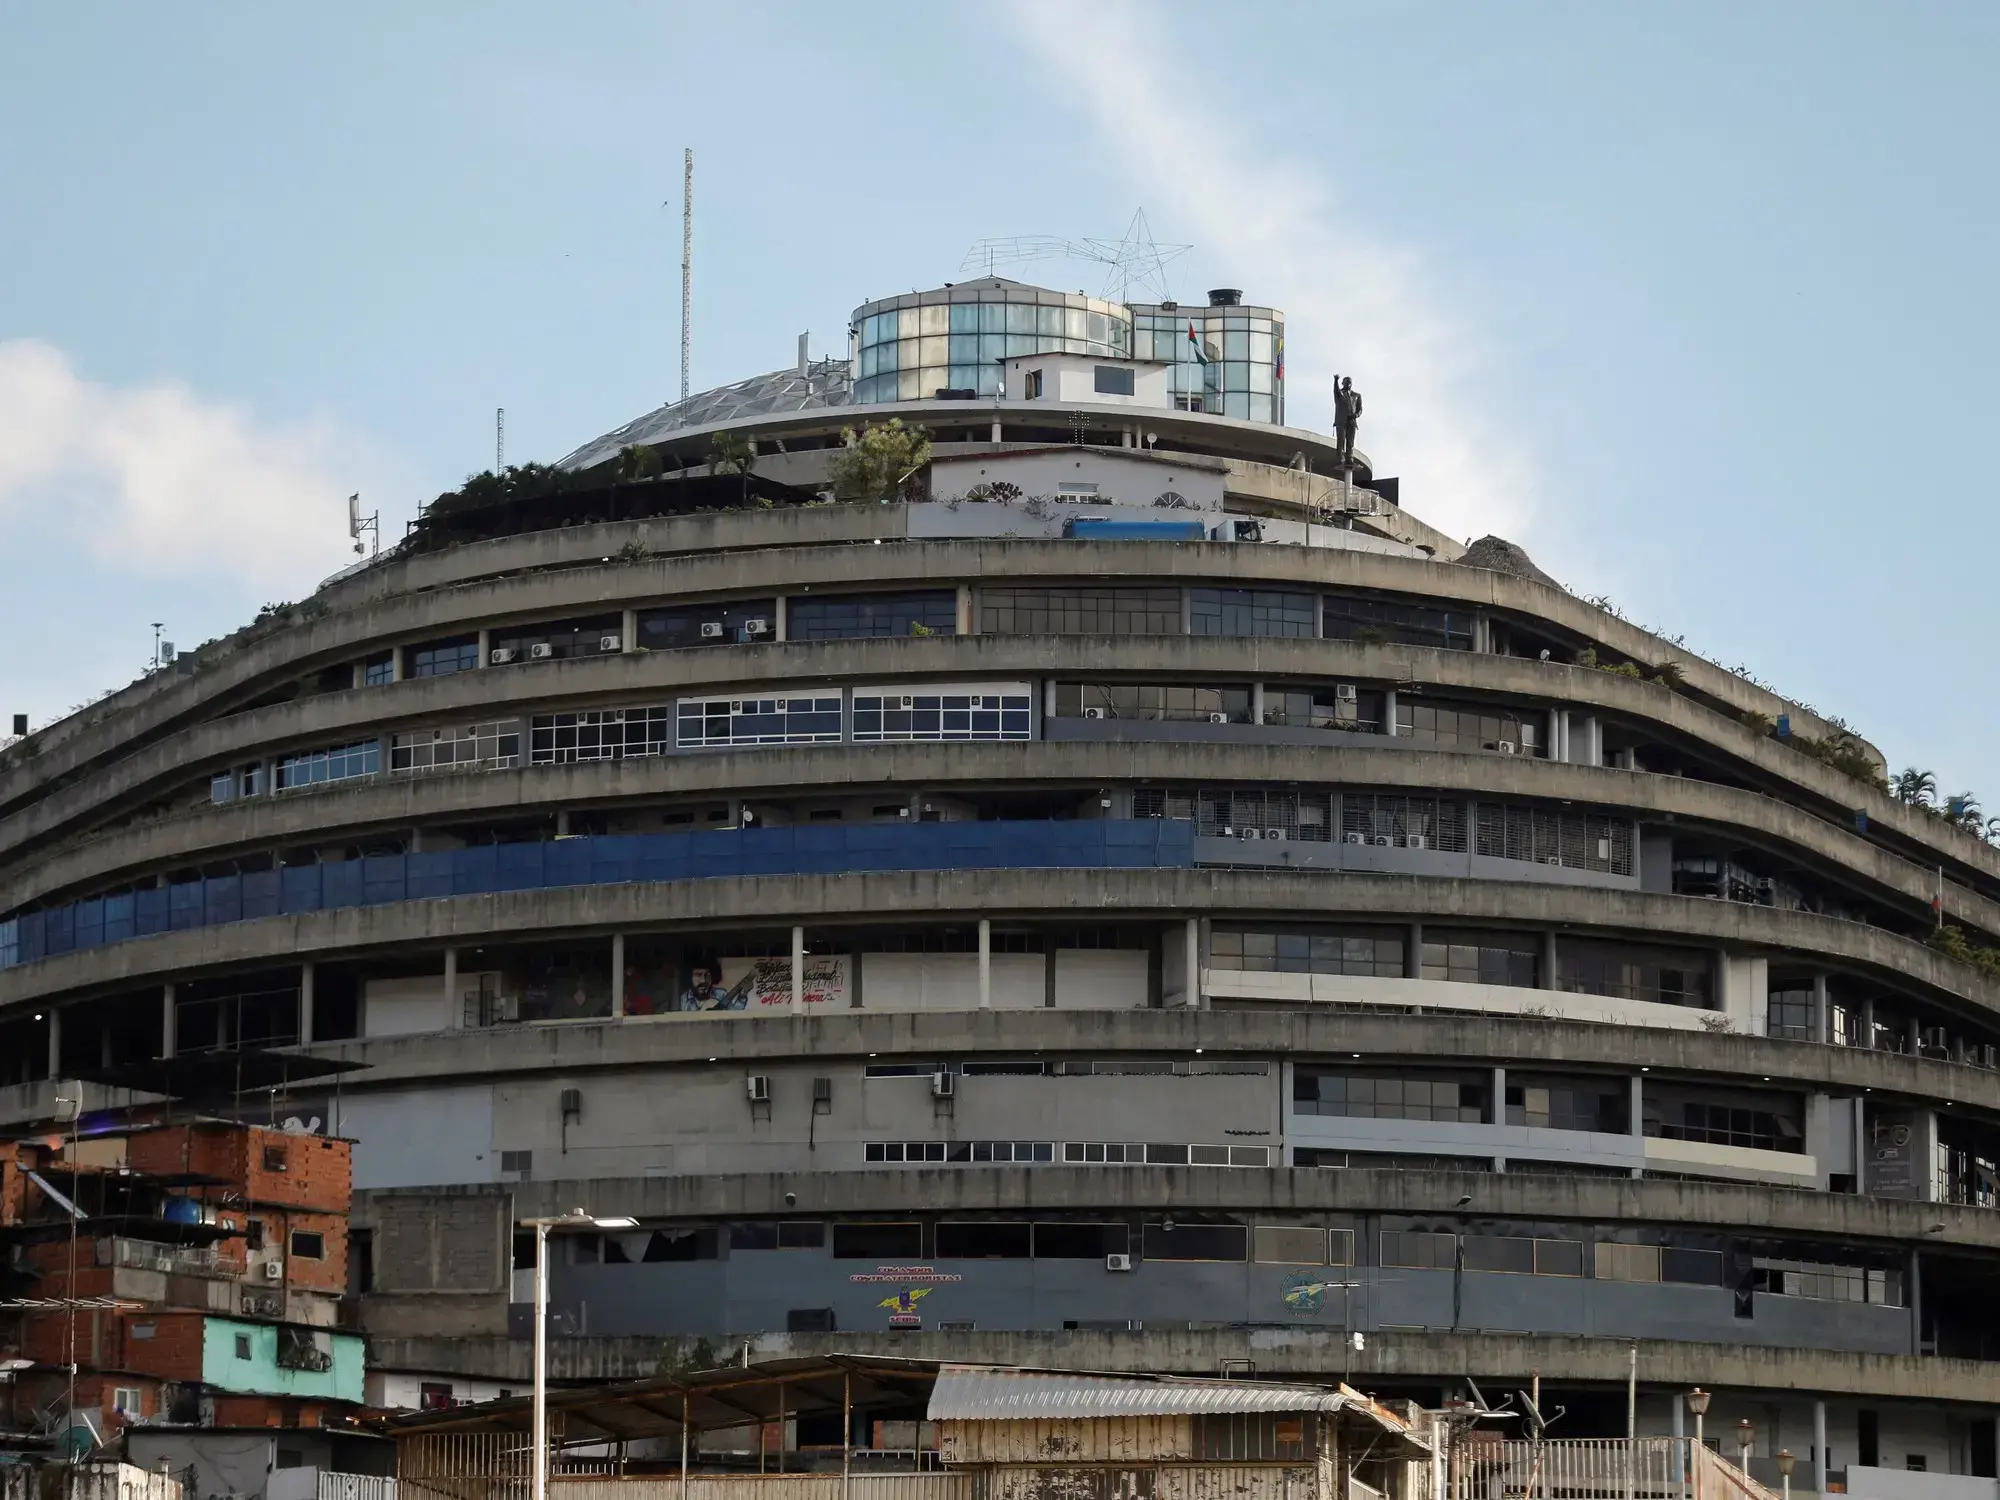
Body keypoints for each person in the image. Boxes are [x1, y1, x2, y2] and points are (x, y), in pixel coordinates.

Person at [1334, 375, 1363, 467]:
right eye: (1346, 382)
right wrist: (1335, 380)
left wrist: (1356, 415)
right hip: (1341, 421)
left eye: (1349, 382)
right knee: (1341, 440)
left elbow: (1360, 409)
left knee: (1350, 441)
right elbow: (1335, 391)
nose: (1348, 384)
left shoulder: (1356, 395)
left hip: (1352, 421)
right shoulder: (1339, 394)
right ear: (1342, 383)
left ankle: (1350, 458)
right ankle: (1340, 458)